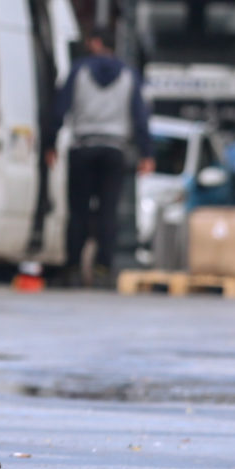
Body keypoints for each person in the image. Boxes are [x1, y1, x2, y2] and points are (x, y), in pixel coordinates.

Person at [46, 32, 153, 286]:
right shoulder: (129, 74)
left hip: (82, 148)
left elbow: (59, 108)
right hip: (115, 151)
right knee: (108, 212)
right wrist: (146, 153)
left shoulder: (78, 70)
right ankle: (104, 268)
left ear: (95, 43)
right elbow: (140, 117)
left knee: (78, 212)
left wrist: (50, 143)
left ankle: (72, 267)